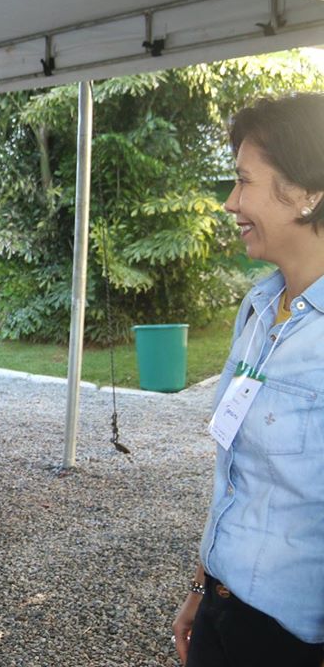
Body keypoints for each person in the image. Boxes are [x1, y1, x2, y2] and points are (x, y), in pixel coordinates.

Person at [172, 93, 324, 666]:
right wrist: (201, 589)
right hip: (222, 608)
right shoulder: (260, 307)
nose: (231, 202)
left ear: (309, 192)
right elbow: (237, 478)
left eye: (244, 181)